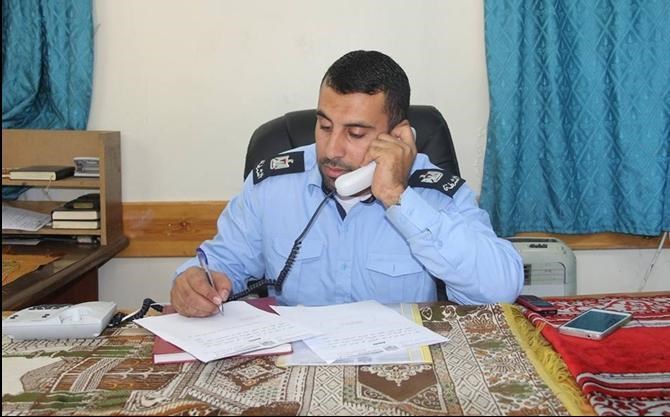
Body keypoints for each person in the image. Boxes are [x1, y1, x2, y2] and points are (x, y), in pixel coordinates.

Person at [171, 50, 523, 317]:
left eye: (355, 133)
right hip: (296, 369)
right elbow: (222, 264)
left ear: (398, 136)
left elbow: (499, 290)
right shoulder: (273, 184)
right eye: (324, 126)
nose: (331, 150)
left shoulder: (434, 193)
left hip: (401, 368)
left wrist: (398, 197)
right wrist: (195, 282)